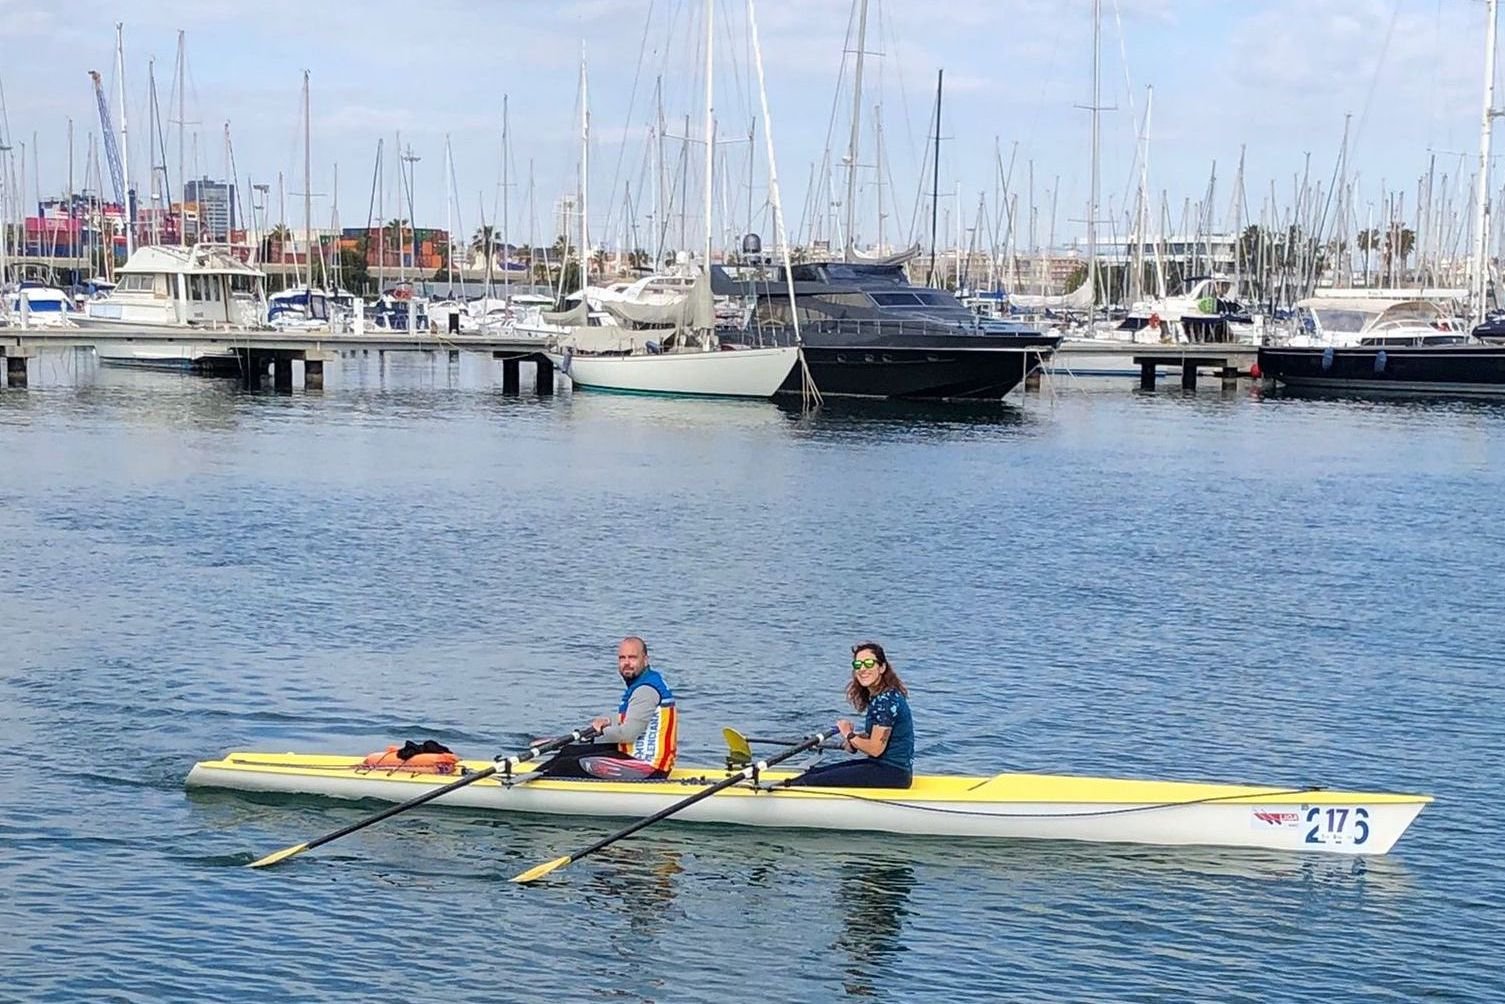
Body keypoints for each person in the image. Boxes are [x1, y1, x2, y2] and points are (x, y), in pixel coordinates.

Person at [533, 635, 678, 780]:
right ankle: (535, 775)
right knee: (569, 751)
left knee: (566, 765)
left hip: (647, 768)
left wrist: (598, 733)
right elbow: (640, 717)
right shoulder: (645, 682)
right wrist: (610, 720)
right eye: (622, 658)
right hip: (631, 756)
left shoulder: (645, 690)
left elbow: (627, 734)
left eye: (632, 657)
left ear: (645, 660)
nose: (626, 663)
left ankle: (535, 785)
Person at [787, 641, 913, 789]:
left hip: (892, 774)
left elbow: (875, 749)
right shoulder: (880, 697)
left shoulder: (886, 701)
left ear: (882, 667)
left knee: (809, 781)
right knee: (814, 773)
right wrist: (855, 740)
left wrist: (848, 735)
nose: (863, 669)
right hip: (884, 768)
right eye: (858, 665)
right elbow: (877, 738)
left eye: (869, 663)